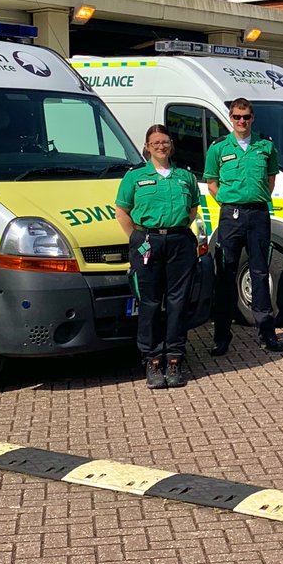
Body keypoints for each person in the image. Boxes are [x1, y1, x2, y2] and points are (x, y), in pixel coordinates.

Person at [115, 124, 201, 388]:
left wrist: (175, 232)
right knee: (150, 302)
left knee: (178, 302)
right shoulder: (135, 176)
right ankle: (152, 360)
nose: (161, 147)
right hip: (147, 242)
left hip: (179, 241)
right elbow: (122, 211)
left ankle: (174, 359)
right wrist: (138, 238)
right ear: (147, 147)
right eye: (155, 143)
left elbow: (193, 208)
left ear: (171, 145)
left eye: (165, 142)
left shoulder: (184, 176)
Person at [204, 97, 283, 356]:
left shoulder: (265, 146)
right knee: (225, 274)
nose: (242, 121)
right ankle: (221, 336)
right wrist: (231, 203)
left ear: (252, 118)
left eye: (246, 117)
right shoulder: (218, 148)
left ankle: (266, 333)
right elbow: (212, 183)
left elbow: (270, 180)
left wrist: (253, 199)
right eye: (237, 117)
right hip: (231, 216)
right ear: (231, 118)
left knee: (260, 274)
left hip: (259, 214)